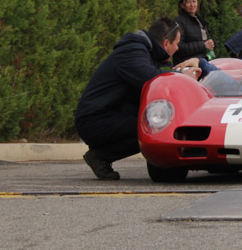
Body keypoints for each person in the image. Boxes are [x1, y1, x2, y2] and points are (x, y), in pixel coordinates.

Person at [74, 18, 205, 180]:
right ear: (165, 43)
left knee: (158, 119)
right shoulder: (131, 52)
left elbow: (159, 81)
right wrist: (180, 77)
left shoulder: (146, 54)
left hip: (110, 114)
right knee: (155, 126)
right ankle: (100, 156)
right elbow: (152, 79)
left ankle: (101, 155)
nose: (177, 48)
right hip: (94, 120)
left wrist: (175, 72)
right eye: (176, 44)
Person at [173, 0, 216, 65]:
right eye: (188, 2)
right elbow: (179, 47)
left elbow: (205, 39)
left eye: (194, 1)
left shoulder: (199, 20)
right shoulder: (179, 21)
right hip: (187, 64)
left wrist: (212, 43)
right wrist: (203, 45)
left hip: (204, 61)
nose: (192, 5)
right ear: (182, 5)